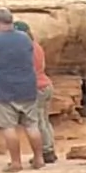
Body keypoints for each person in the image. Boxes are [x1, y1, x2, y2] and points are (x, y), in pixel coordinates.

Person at [0, 6, 41, 172]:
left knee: (9, 127)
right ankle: (39, 159)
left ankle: (16, 162)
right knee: (32, 125)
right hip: (26, 87)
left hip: (2, 89)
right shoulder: (24, 38)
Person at [26, 23, 57, 165]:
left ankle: (44, 152)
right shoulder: (37, 46)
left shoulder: (26, 49)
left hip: (36, 87)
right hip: (46, 85)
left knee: (37, 121)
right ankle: (50, 150)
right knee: (45, 120)